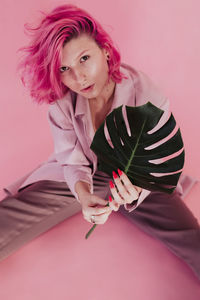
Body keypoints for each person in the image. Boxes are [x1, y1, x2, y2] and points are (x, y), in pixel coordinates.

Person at [0, 4, 200, 281]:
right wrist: (83, 195)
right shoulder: (62, 102)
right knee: (8, 219)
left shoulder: (147, 99)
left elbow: (155, 161)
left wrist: (135, 190)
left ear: (105, 50)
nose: (78, 77)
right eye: (64, 68)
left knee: (193, 240)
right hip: (82, 174)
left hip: (137, 180)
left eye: (84, 59)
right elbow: (71, 159)